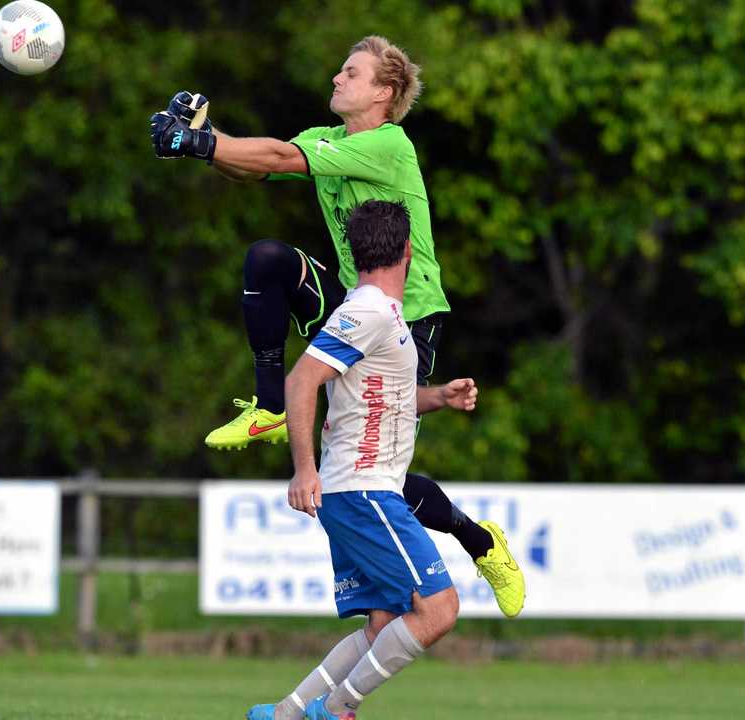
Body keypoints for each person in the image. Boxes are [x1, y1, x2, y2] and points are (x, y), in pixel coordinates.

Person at [150, 35, 524, 617]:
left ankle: (481, 542)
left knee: (376, 481)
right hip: (354, 301)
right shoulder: (325, 140)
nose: (336, 79)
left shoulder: (390, 145)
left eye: (351, 73)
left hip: (409, 315)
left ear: (384, 92)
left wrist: (201, 144)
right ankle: (270, 406)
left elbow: (275, 158)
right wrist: (200, 139)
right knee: (267, 259)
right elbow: (258, 167)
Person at [247, 200, 472, 720]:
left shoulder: (379, 315)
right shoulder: (367, 311)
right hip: (363, 490)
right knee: (439, 609)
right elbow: (302, 379)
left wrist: (440, 397)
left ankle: (286, 713)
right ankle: (338, 708)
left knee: (384, 621)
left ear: (355, 250)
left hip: (359, 491)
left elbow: (385, 394)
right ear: (410, 250)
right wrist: (304, 468)